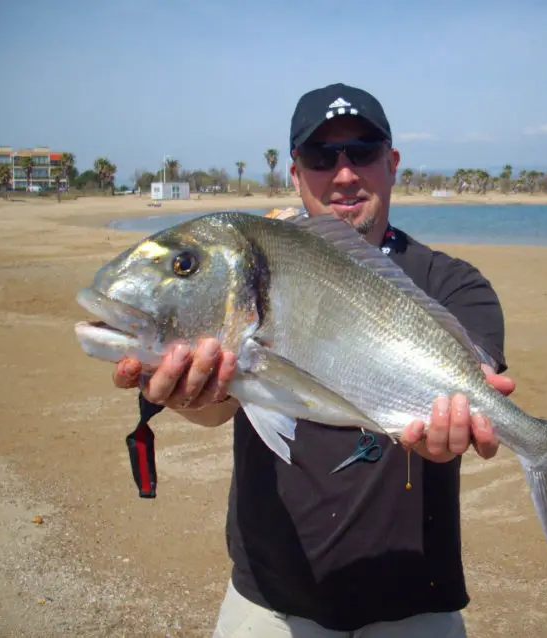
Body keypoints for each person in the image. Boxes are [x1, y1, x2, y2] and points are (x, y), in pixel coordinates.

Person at [112, 83, 516, 637]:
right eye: (322, 157)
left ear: (392, 163)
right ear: (296, 173)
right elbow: (221, 407)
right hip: (270, 603)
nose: (344, 173)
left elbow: (481, 386)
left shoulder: (455, 285)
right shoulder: (257, 274)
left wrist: (462, 427)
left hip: (417, 604)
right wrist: (192, 397)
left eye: (363, 152)